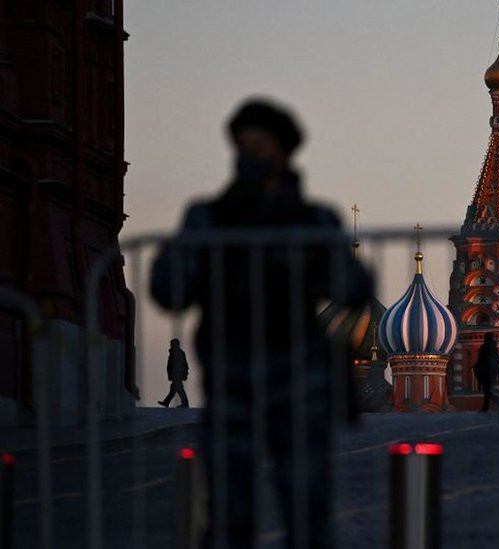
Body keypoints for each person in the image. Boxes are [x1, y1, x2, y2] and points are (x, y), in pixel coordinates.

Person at [150, 98, 373, 548]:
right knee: (230, 510)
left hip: (298, 378)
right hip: (231, 375)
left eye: (261, 144)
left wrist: (314, 260)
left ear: (283, 151)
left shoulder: (313, 220)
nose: (250, 155)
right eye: (243, 144)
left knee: (306, 506)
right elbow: (166, 287)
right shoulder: (208, 217)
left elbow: (352, 288)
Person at [474, 332, 499, 412]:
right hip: (492, 372)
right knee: (488, 389)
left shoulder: (484, 347)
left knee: (486, 390)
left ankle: (494, 401)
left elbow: (480, 359)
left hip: (485, 371)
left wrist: (477, 367)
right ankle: (487, 406)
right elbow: (498, 361)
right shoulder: (494, 348)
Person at [158, 338, 190, 408]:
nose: (171, 345)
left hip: (177, 375)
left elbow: (184, 365)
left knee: (178, 389)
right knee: (174, 389)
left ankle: (185, 403)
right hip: (176, 374)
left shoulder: (178, 353)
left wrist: (184, 374)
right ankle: (167, 402)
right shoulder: (175, 353)